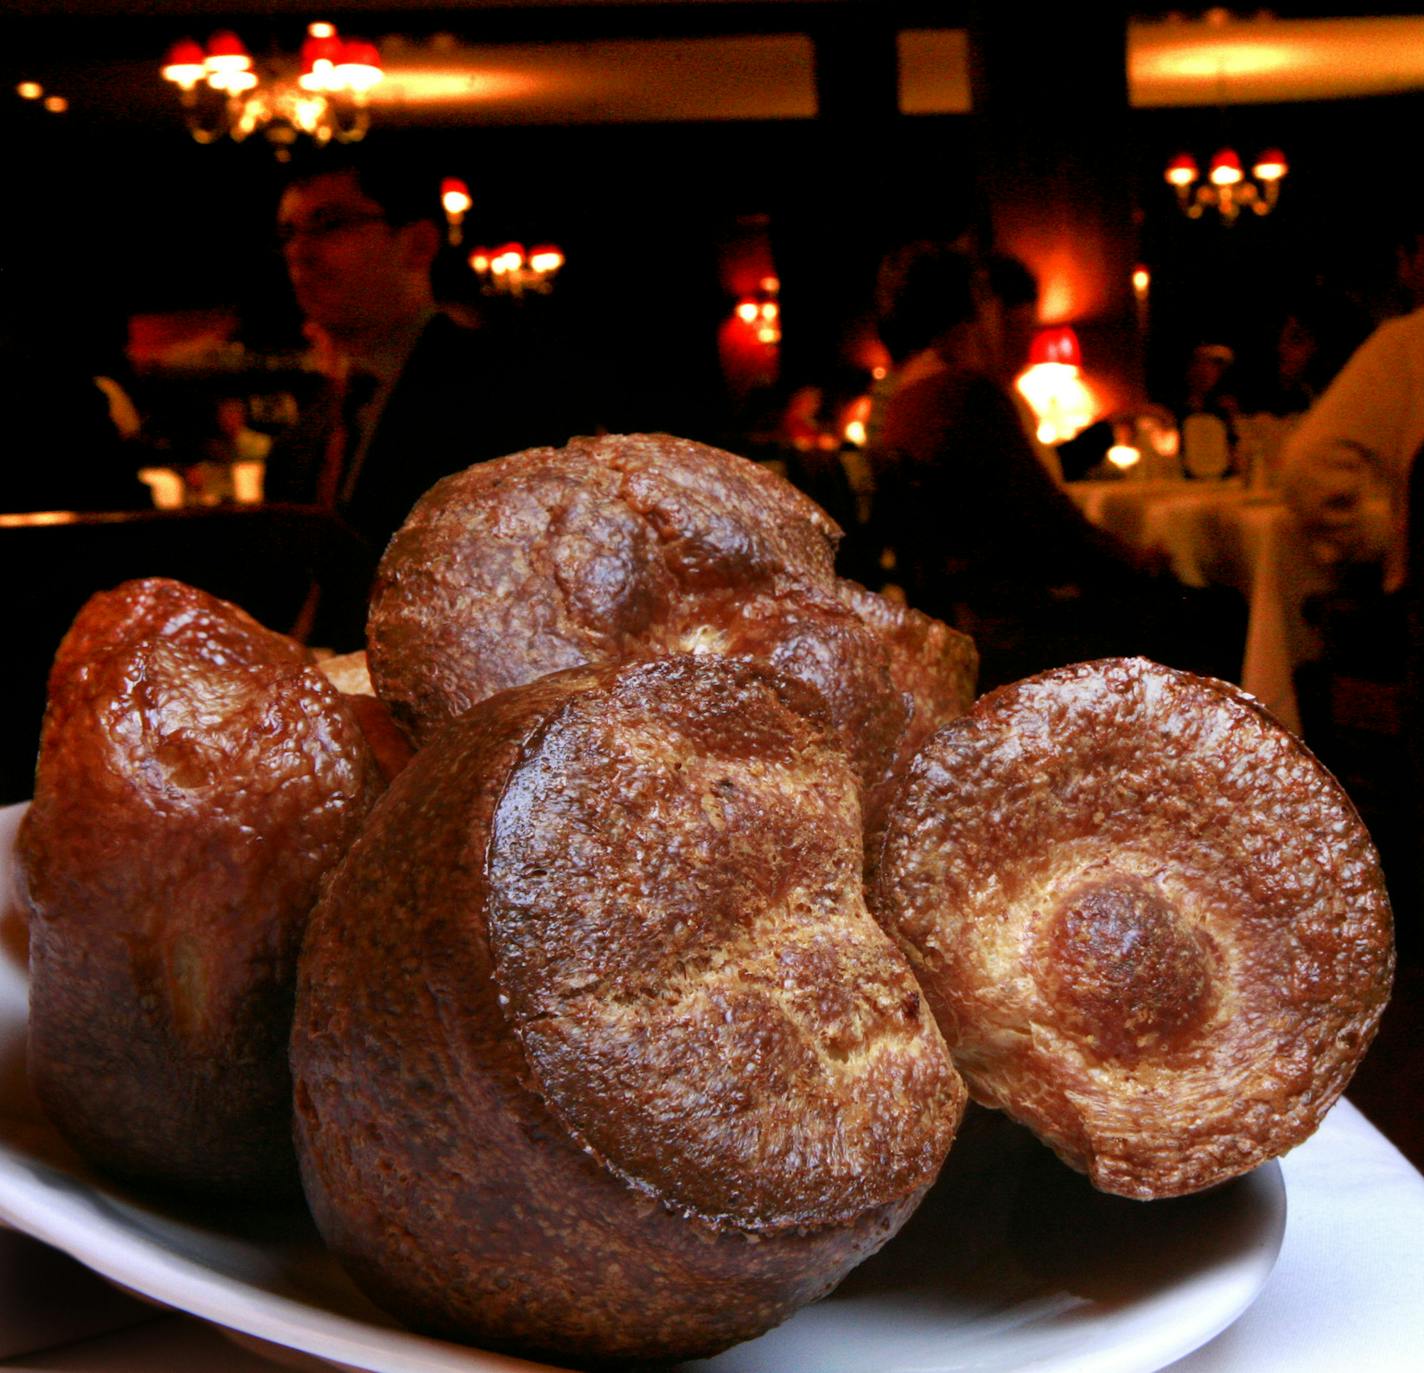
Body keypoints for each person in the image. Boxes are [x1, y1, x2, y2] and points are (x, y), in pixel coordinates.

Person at [264, 146, 586, 644]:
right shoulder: (302, 439)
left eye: (330, 225)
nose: (299, 253)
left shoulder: (510, 391)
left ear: (417, 244)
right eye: (289, 233)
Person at [868, 241, 1188, 689]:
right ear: (972, 306)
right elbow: (1048, 524)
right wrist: (1136, 560)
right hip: (1016, 626)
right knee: (1205, 613)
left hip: (969, 622)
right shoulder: (962, 392)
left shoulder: (902, 400)